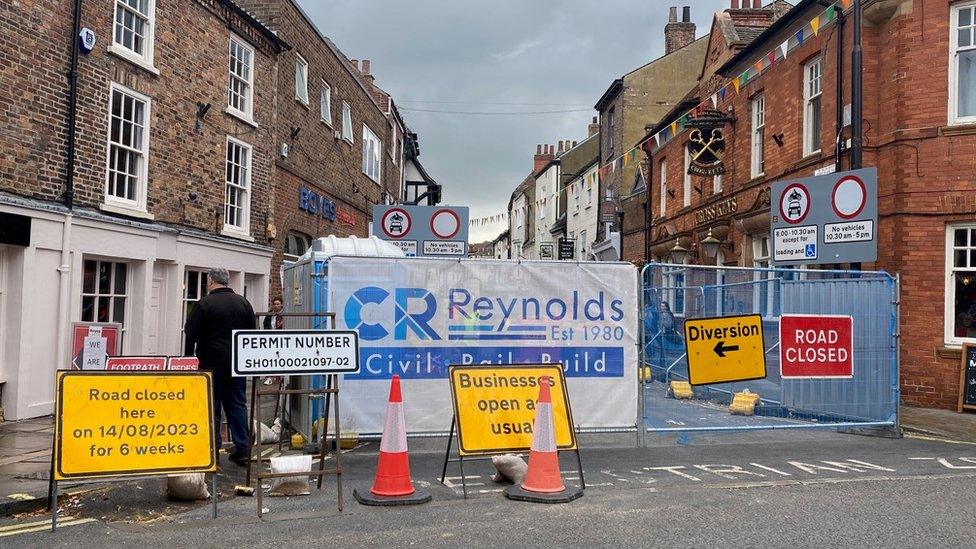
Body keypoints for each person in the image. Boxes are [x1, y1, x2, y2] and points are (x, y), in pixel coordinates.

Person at [184, 267, 256, 466]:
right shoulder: (244, 303)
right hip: (238, 364)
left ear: (211, 281)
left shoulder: (203, 304)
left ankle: (213, 450)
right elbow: (253, 333)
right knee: (237, 405)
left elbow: (190, 333)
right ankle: (243, 449)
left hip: (211, 363)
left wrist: (189, 357)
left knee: (212, 407)